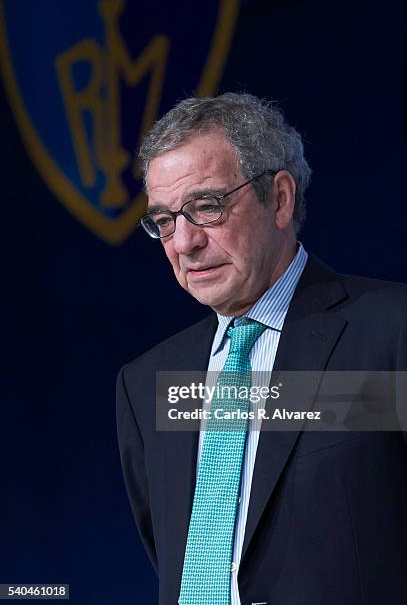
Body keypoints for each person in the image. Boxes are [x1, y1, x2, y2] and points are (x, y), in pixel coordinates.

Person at [116, 93, 407, 605]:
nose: (183, 243)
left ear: (279, 198)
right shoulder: (146, 384)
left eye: (206, 207)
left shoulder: (388, 331)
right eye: (164, 220)